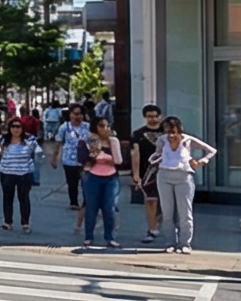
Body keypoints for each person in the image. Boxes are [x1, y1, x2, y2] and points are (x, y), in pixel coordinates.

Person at [152, 117, 216, 253]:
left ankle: (185, 243)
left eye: (174, 132)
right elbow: (157, 154)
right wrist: (155, 158)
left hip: (183, 177)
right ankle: (170, 242)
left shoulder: (187, 140)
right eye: (168, 132)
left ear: (179, 131)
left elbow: (211, 150)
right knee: (167, 212)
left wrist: (201, 162)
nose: (171, 136)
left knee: (185, 212)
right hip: (164, 176)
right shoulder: (162, 140)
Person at [76, 116, 125, 250]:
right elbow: (82, 159)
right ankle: (89, 237)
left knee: (109, 208)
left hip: (111, 177)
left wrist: (109, 157)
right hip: (92, 177)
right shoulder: (87, 141)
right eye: (101, 126)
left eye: (107, 126)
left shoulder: (113, 141)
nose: (105, 129)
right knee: (91, 208)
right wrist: (94, 152)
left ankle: (110, 237)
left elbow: (119, 160)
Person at [0, 120, 43, 232]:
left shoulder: (30, 139)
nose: (16, 129)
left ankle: (25, 223)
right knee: (7, 198)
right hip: (7, 172)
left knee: (24, 198)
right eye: (13, 126)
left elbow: (38, 152)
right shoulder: (3, 139)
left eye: (18, 127)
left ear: (23, 128)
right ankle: (8, 222)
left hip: (24, 173)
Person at [127, 105, 166, 242]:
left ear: (160, 116)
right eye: (150, 116)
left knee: (168, 201)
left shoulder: (167, 132)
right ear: (145, 117)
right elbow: (135, 154)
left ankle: (166, 224)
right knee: (150, 200)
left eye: (155, 116)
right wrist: (136, 174)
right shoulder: (138, 134)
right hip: (147, 171)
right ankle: (152, 229)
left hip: (167, 170)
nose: (153, 119)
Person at [56, 105, 92, 210]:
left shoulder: (87, 126)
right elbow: (58, 142)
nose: (77, 117)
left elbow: (93, 140)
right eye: (75, 114)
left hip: (85, 160)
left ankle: (87, 201)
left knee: (86, 182)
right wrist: (55, 157)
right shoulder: (64, 127)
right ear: (70, 114)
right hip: (69, 159)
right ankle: (74, 202)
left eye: (80, 114)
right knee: (72, 183)